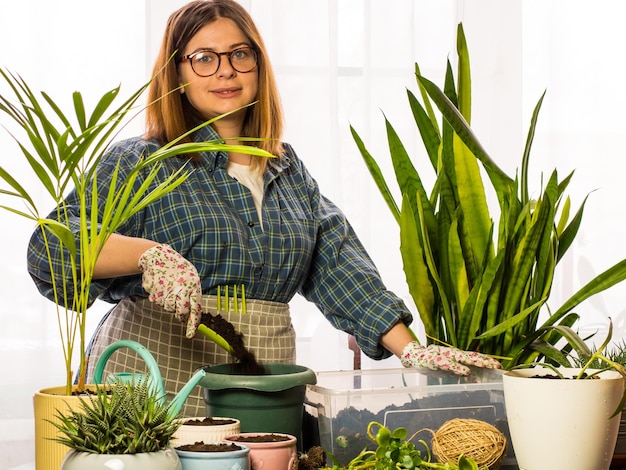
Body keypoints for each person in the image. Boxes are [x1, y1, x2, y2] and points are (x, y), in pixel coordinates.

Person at [27, 0, 500, 417]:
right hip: (151, 382)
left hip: (261, 389)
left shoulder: (289, 170)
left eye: (239, 54)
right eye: (203, 59)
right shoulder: (139, 160)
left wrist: (413, 352)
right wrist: (148, 254)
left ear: (258, 65)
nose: (226, 71)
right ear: (176, 73)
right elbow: (51, 248)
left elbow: (340, 268)